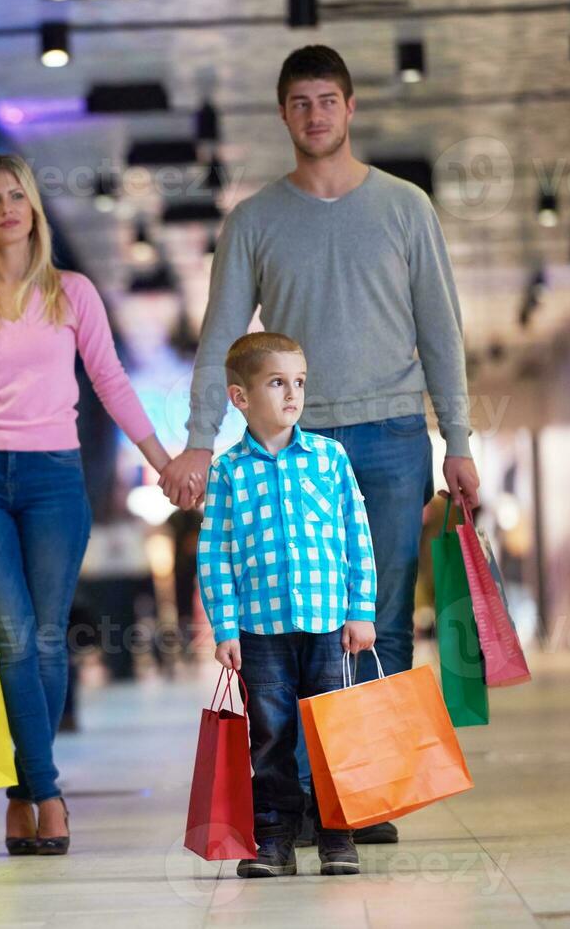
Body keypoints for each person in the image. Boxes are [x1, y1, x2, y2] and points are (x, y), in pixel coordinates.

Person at [161, 44, 481, 844]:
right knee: (293, 628)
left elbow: (441, 333)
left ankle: (364, 794)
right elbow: (218, 337)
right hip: (288, 447)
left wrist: (459, 439)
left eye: (327, 99)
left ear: (349, 107)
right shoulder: (255, 220)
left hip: (390, 435)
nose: (315, 114)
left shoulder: (405, 207)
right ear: (283, 113)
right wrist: (200, 439)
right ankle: (304, 799)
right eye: (299, 101)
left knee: (378, 621)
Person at [0, 153, 171, 856]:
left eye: (17, 197)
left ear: (33, 208)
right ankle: (46, 794)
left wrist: (161, 464)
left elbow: (112, 383)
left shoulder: (70, 294)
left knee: (41, 637)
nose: (7, 209)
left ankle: (20, 792)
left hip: (54, 482)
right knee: (9, 633)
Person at [198, 331, 375, 877]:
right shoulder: (228, 472)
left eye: (298, 382)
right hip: (260, 631)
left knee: (330, 731)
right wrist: (226, 627)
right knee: (270, 736)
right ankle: (273, 838)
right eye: (277, 382)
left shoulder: (329, 458)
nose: (292, 394)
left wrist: (361, 608)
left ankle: (337, 835)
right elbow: (215, 555)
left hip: (327, 625)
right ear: (240, 397)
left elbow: (355, 533)